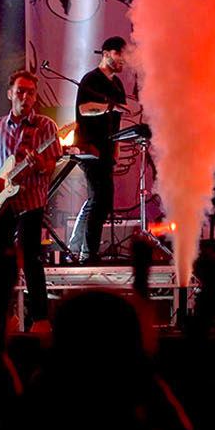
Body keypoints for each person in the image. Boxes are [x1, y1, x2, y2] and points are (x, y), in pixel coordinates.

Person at [0, 70, 62, 335]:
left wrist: (41, 164)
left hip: (31, 201)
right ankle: (5, 317)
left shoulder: (46, 127)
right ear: (10, 94)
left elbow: (51, 166)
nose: (25, 97)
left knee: (31, 258)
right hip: (0, 202)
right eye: (20, 91)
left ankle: (40, 319)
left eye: (31, 92)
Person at [69, 36, 131, 263]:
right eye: (120, 54)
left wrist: (117, 147)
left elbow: (119, 118)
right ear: (106, 54)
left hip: (106, 149)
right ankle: (88, 252)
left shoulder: (117, 85)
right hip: (90, 148)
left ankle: (77, 246)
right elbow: (84, 109)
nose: (124, 60)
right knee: (100, 199)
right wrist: (110, 107)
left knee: (101, 200)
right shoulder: (91, 79)